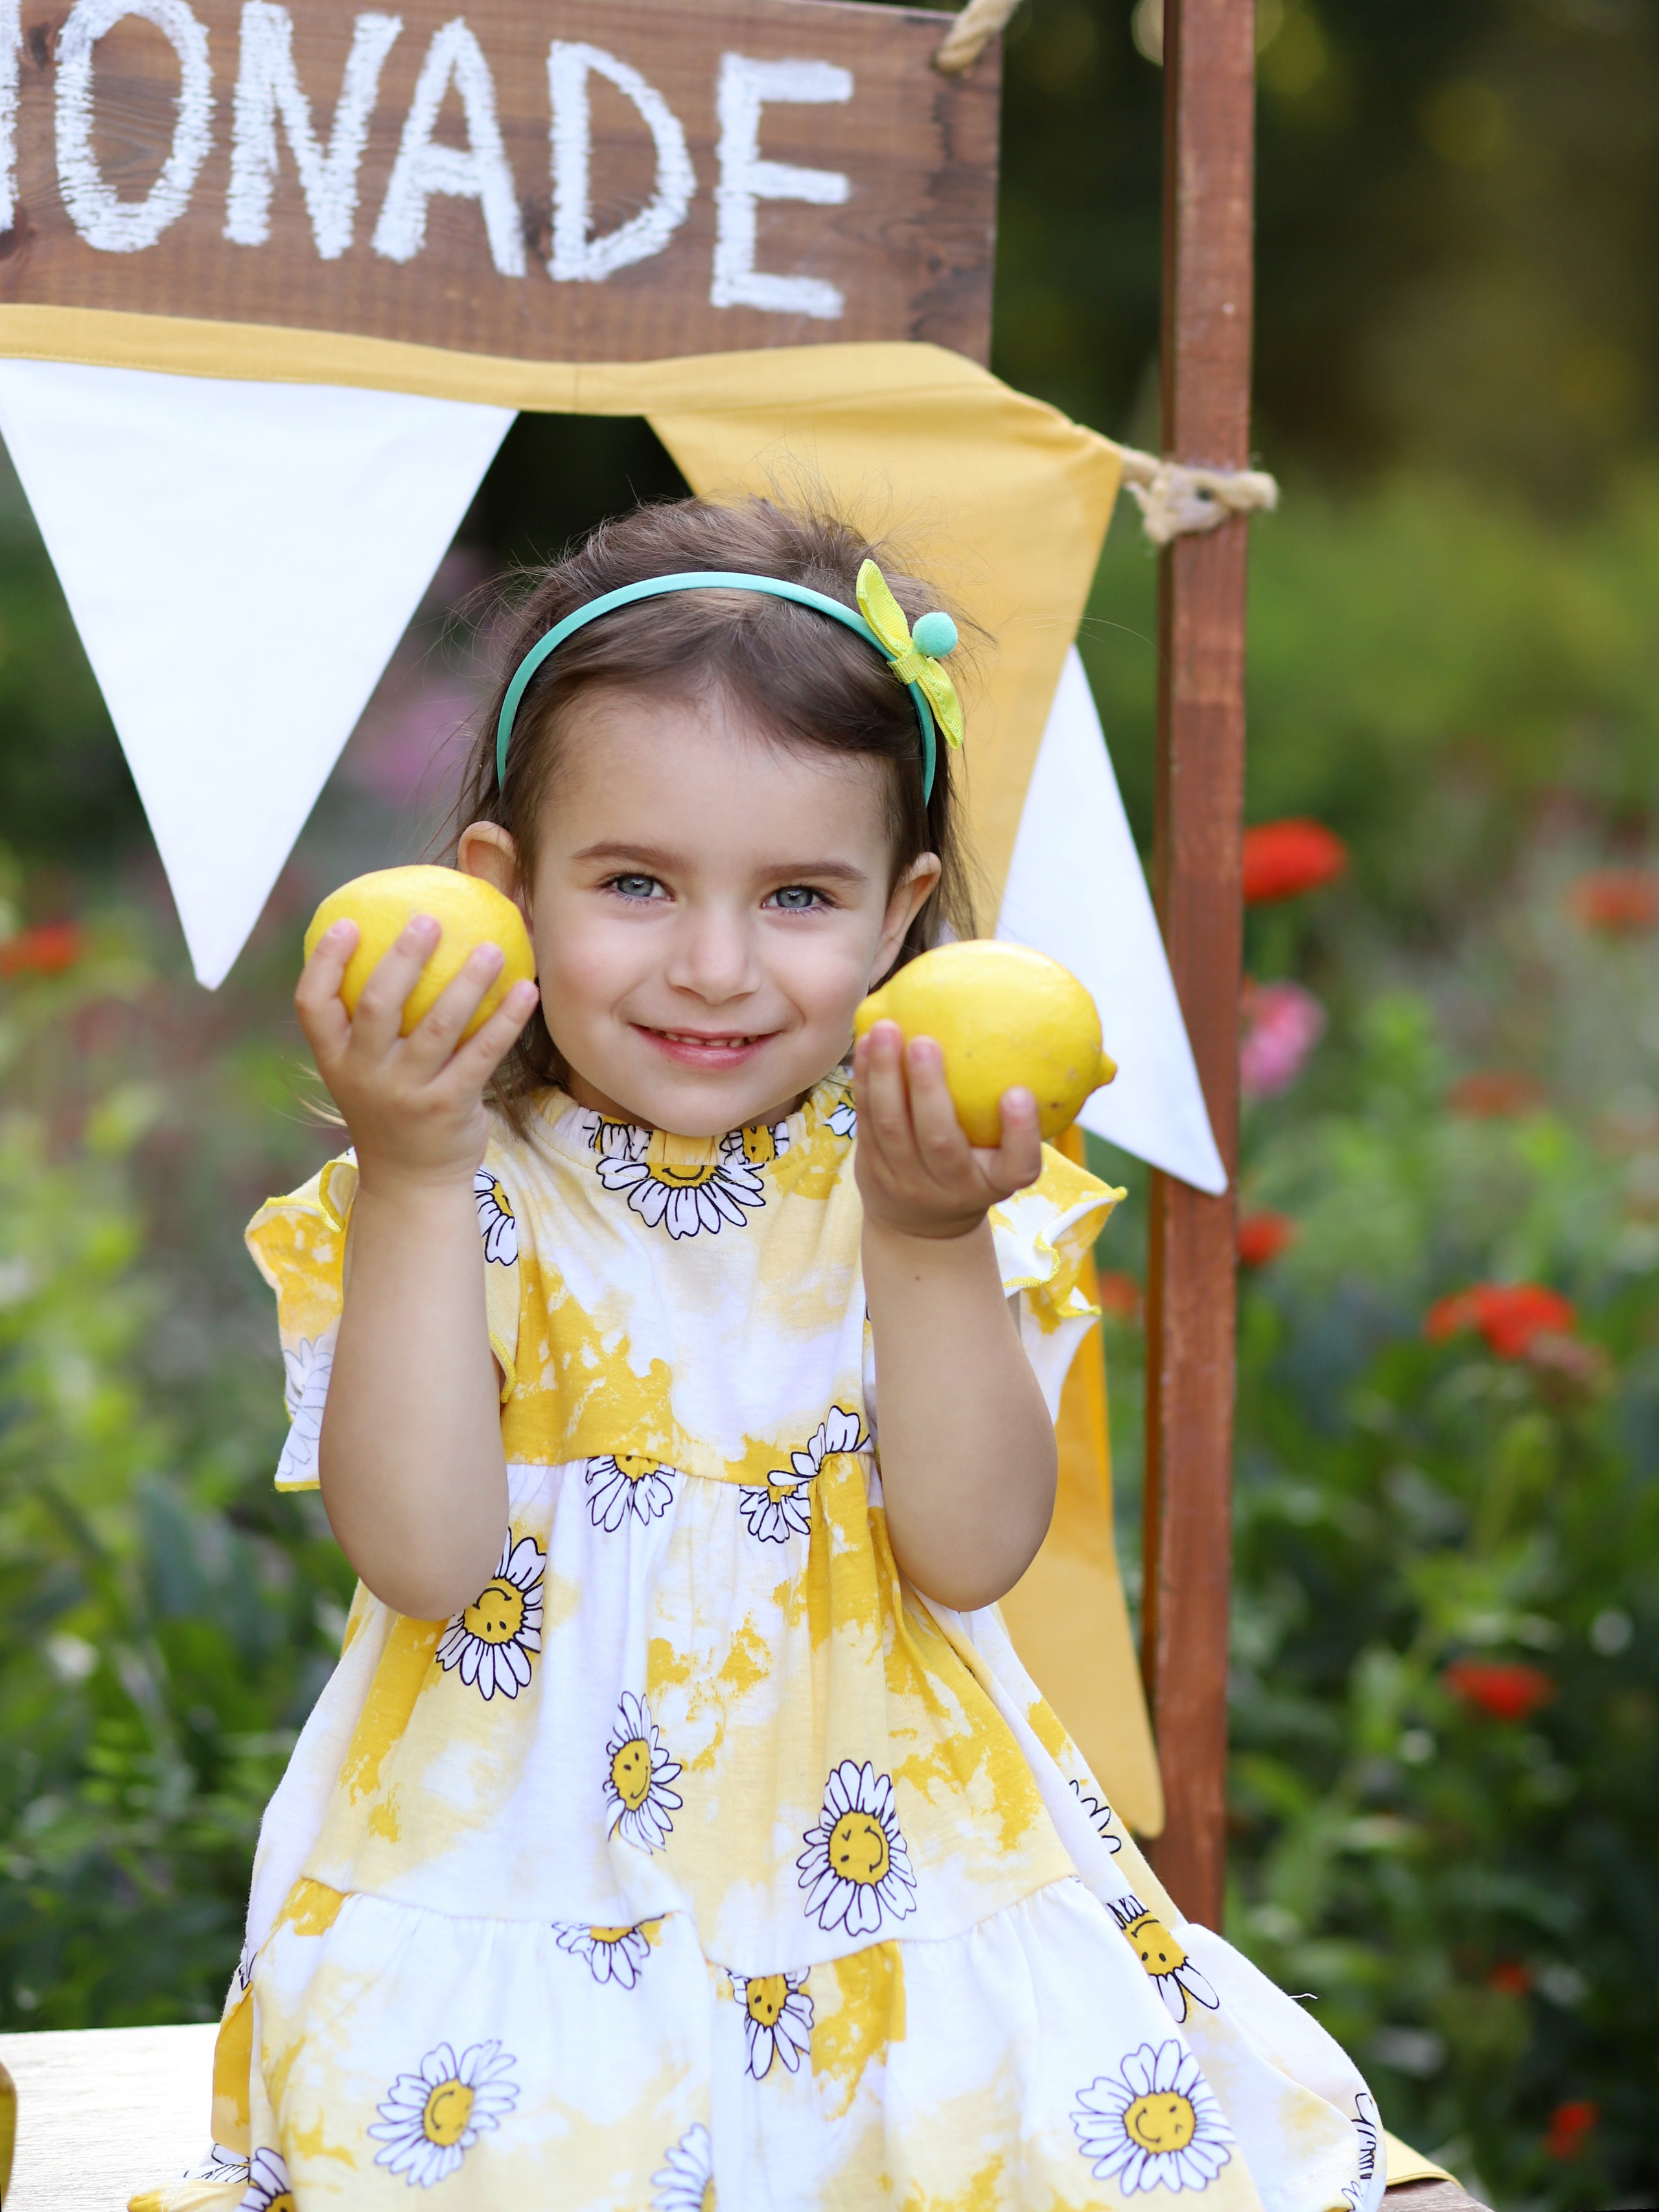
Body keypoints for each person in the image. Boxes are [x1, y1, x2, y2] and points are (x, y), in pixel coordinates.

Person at [135, 497, 1383, 2212]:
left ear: (900, 914)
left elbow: (970, 1549)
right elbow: (425, 1560)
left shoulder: (923, 1178)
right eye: (637, 883)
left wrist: (932, 1242)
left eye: (798, 894)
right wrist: (420, 1167)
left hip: (887, 1889)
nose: (713, 967)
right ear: (497, 887)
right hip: (532, 1882)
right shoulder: (452, 1194)